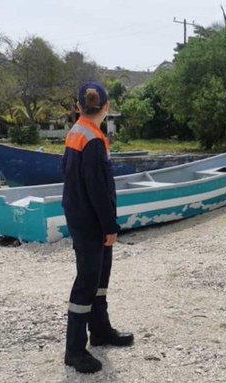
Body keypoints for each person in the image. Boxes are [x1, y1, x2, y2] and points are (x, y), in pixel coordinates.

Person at [62, 82, 134, 374]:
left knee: (99, 278)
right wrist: (110, 225)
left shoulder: (76, 132)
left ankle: (100, 330)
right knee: (88, 281)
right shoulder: (92, 139)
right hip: (90, 222)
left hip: (80, 217)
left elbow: (67, 175)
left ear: (79, 107)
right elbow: (98, 189)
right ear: (107, 107)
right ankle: (74, 350)